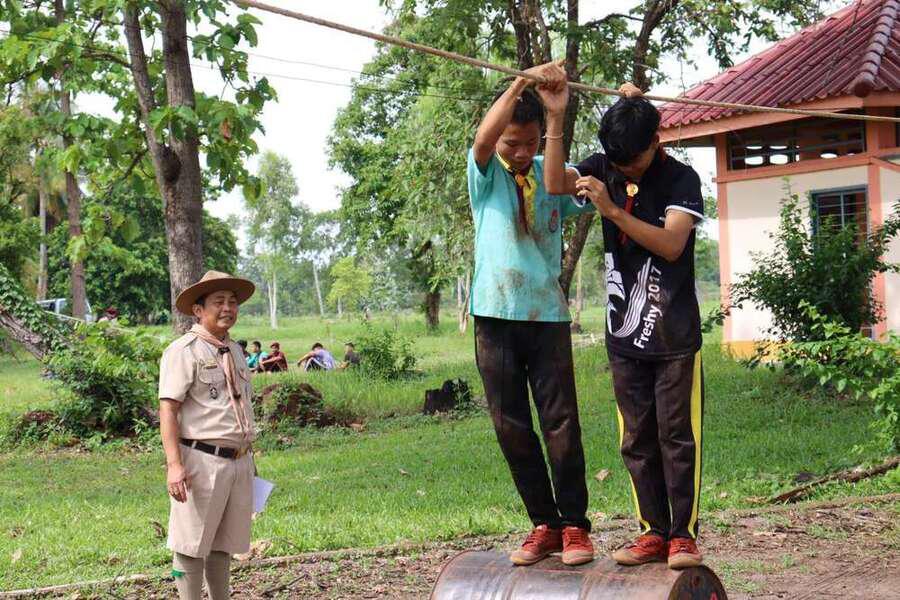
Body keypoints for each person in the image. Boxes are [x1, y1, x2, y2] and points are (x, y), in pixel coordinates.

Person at [543, 82, 707, 569]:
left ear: (656, 141)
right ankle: (652, 531)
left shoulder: (681, 179)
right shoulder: (606, 164)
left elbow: (672, 245)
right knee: (636, 439)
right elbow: (553, 183)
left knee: (676, 437)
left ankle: (683, 535)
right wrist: (556, 116)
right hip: (623, 336)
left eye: (632, 162)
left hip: (675, 335)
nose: (623, 170)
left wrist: (611, 211)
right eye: (617, 163)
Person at [466, 61, 597, 567]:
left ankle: (575, 526)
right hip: (494, 315)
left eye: (530, 143)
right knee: (511, 425)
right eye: (512, 144)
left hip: (546, 316)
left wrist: (556, 113)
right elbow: (483, 139)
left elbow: (574, 186)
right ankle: (544, 523)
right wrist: (521, 81)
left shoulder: (551, 172)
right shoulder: (485, 175)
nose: (521, 153)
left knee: (561, 421)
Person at [157, 270, 257, 600]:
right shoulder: (184, 351)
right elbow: (168, 410)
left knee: (223, 543)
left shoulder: (236, 350)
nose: (227, 308)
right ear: (198, 310)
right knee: (190, 543)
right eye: (219, 302)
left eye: (233, 302)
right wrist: (174, 465)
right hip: (202, 460)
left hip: (238, 461)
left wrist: (249, 458)